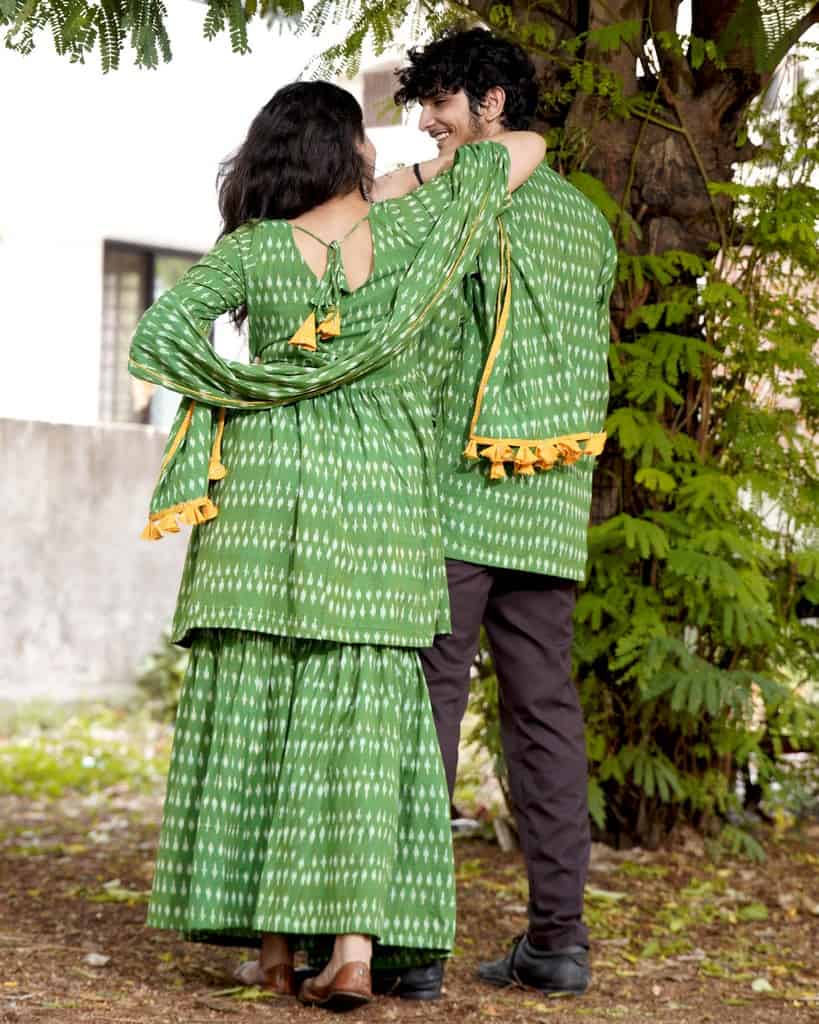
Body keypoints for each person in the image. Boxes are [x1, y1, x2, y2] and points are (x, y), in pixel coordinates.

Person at [129, 81, 545, 1012]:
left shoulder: (255, 250)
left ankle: (277, 954)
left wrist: (262, 384)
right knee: (363, 718)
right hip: (377, 502)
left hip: (264, 502)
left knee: (260, 702)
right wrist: (408, 178)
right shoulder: (409, 230)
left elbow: (157, 339)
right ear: (347, 150)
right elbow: (522, 150)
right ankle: (353, 951)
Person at [380, 29, 618, 1000]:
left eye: (438, 103)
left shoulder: (465, 198)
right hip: (552, 497)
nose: (425, 123)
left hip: (458, 486)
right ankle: (558, 941)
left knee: (425, 706)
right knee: (546, 716)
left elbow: (409, 321)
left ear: (491, 104)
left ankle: (410, 948)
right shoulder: (587, 223)